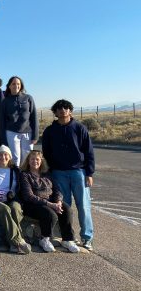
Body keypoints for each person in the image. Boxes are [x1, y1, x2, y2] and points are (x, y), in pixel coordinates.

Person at [42, 98, 95, 250]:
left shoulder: (79, 128)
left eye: (65, 108)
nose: (62, 110)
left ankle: (87, 238)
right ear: (55, 112)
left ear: (70, 111)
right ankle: (68, 236)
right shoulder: (50, 131)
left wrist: (89, 173)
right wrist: (50, 172)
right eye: (59, 108)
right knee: (64, 206)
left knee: (84, 206)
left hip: (79, 172)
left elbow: (89, 151)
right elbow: (47, 153)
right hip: (58, 173)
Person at [19, 150, 80, 253]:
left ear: (41, 161)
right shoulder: (25, 175)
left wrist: (59, 201)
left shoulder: (47, 174)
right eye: (32, 159)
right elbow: (28, 196)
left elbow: (57, 190)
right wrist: (50, 204)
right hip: (32, 204)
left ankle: (67, 240)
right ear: (28, 161)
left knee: (67, 209)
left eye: (37, 159)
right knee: (50, 214)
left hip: (51, 201)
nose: (35, 161)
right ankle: (44, 239)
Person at [0, 145, 31, 254]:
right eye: (0, 155)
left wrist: (14, 195)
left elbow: (20, 188)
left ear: (10, 157)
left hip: (12, 199)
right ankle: (18, 241)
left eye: (6, 154)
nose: (3, 157)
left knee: (16, 208)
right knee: (5, 209)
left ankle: (12, 244)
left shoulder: (15, 171)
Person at [0, 76, 38, 167]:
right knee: (15, 158)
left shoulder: (28, 98)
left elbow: (34, 116)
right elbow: (2, 121)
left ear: (21, 86)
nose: (16, 86)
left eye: (18, 84)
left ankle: (26, 178)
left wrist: (35, 135)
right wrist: (3, 138)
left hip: (27, 132)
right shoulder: (5, 101)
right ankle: (16, 178)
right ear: (9, 86)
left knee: (27, 157)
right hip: (11, 132)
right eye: (13, 84)